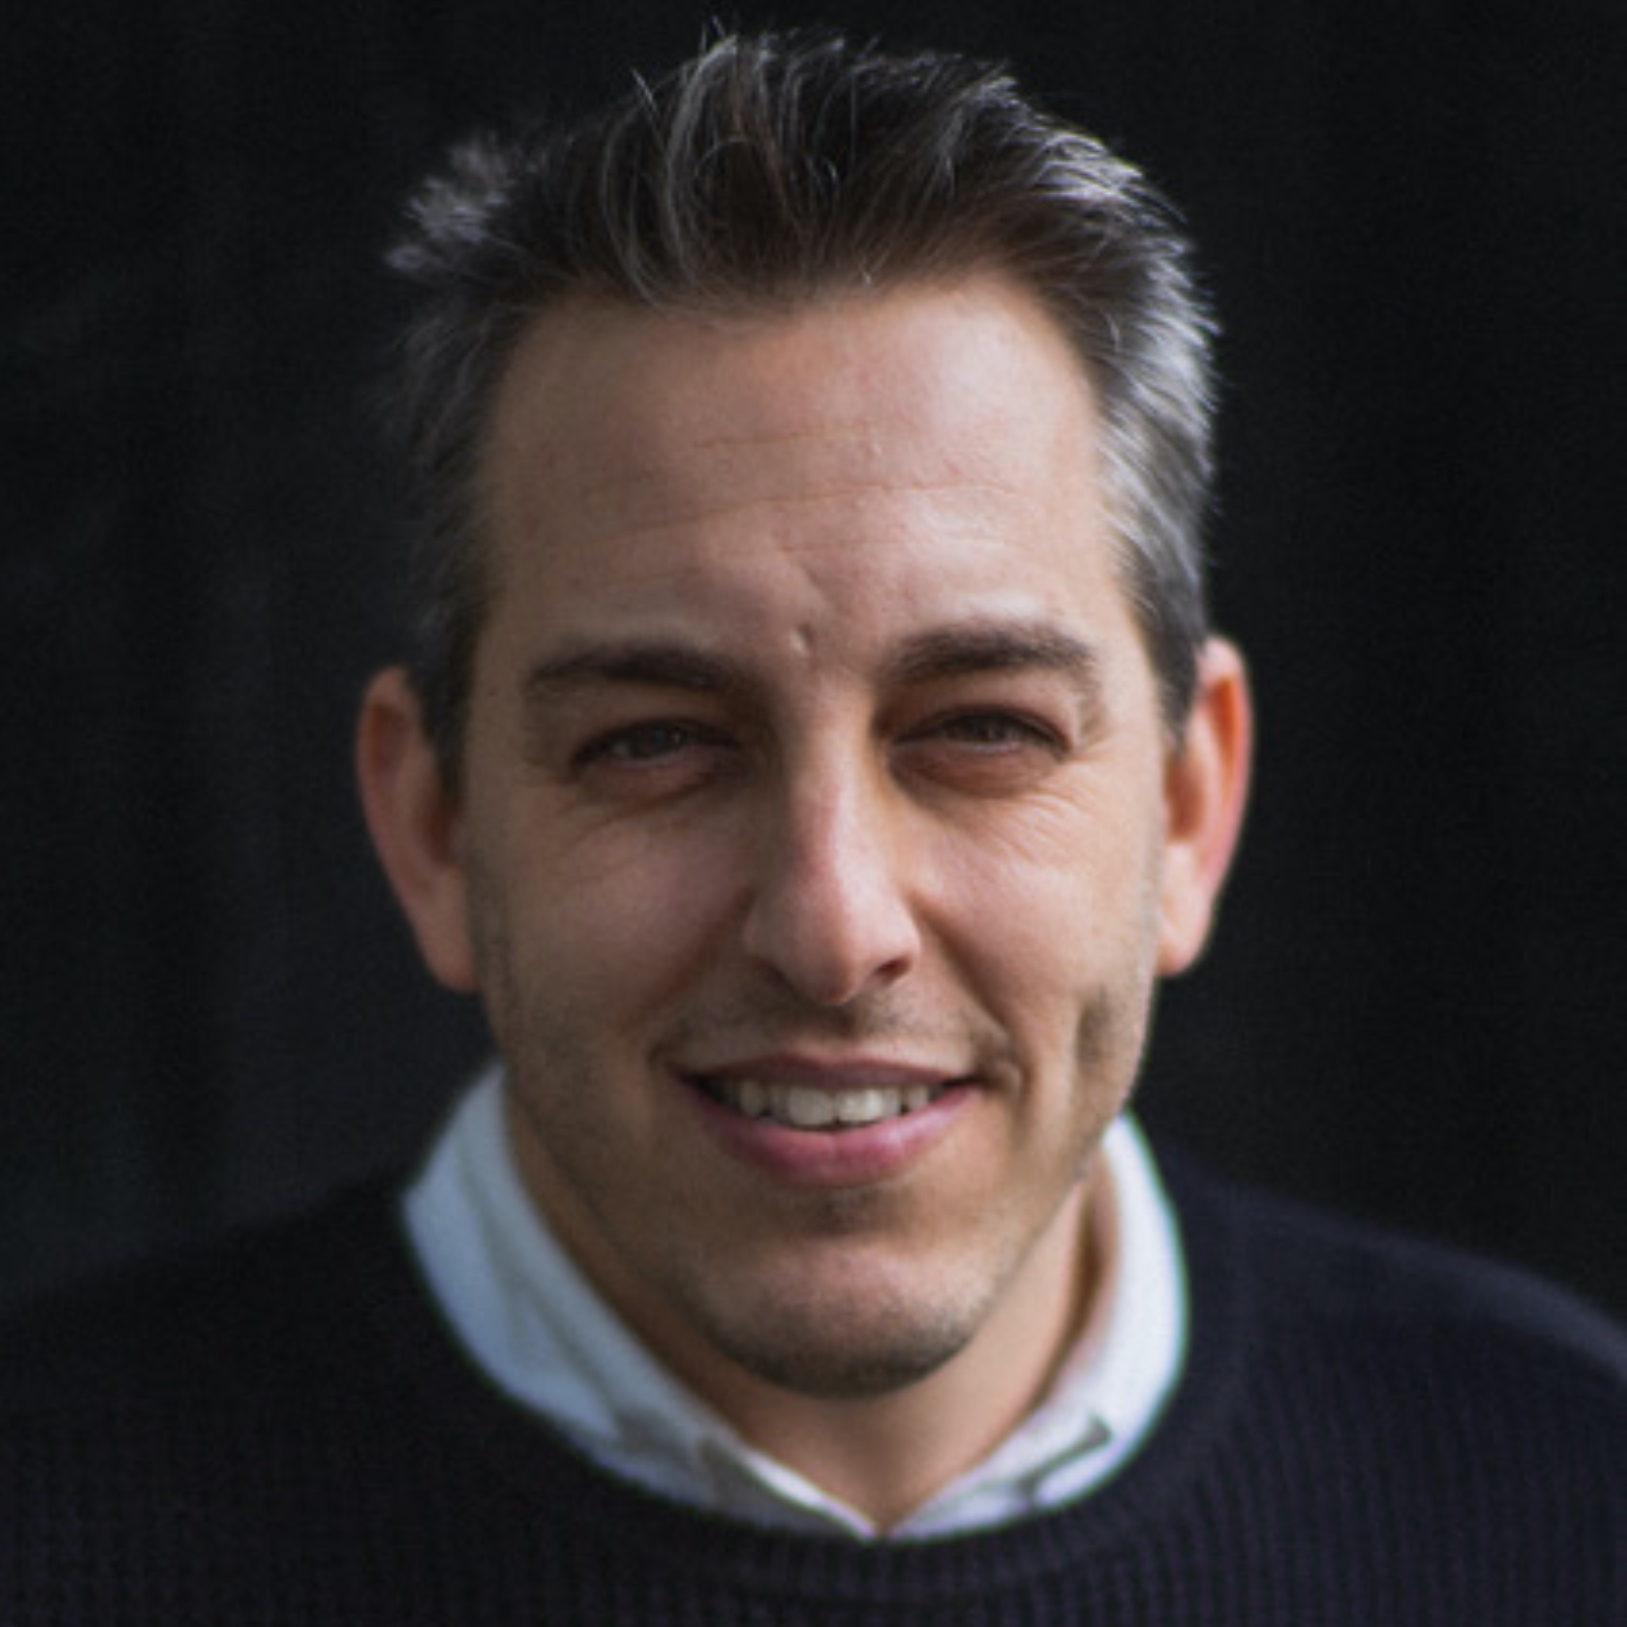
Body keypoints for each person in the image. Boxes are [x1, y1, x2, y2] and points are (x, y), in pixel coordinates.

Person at [3, 30, 1621, 1625]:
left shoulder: (1571, 1495)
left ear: (1190, 807)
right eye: (654, 742)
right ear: (434, 826)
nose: (834, 929)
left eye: (982, 730)